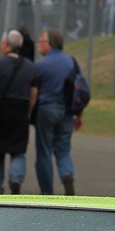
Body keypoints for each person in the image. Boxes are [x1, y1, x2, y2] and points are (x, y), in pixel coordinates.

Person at [0, 30, 38, 194]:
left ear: (5, 45)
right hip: (20, 111)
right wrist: (28, 113)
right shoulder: (30, 67)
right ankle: (15, 179)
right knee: (18, 150)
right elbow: (33, 94)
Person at [31, 27, 85, 196]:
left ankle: (47, 193)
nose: (39, 45)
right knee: (63, 150)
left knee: (44, 152)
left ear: (51, 44)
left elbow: (33, 92)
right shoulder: (72, 62)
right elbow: (80, 89)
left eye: (41, 41)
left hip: (46, 109)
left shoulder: (40, 65)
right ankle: (66, 174)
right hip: (67, 111)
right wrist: (79, 115)